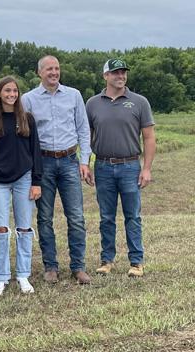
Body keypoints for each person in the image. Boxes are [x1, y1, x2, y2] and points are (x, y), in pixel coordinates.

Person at [21, 56, 93, 285]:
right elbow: (23, 135)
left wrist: (84, 161)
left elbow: (83, 128)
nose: (54, 72)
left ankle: (78, 267)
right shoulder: (28, 100)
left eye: (57, 68)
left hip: (70, 160)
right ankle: (50, 266)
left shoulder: (74, 95)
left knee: (76, 217)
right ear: (39, 72)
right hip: (43, 163)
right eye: (49, 69)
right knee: (44, 218)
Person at [86, 59, 155, 278]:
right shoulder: (93, 103)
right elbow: (85, 135)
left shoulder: (139, 102)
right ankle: (107, 260)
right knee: (106, 216)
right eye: (115, 72)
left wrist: (146, 169)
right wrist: (85, 163)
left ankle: (136, 262)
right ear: (105, 76)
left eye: (123, 72)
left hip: (130, 166)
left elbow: (149, 137)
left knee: (132, 216)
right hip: (103, 166)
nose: (121, 76)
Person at [0, 76, 42, 296]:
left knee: (24, 228)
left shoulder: (27, 119)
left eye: (15, 91)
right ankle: (1, 277)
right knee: (0, 229)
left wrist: (36, 181)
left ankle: (23, 275)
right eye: (7, 91)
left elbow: (35, 150)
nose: (11, 94)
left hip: (24, 178)